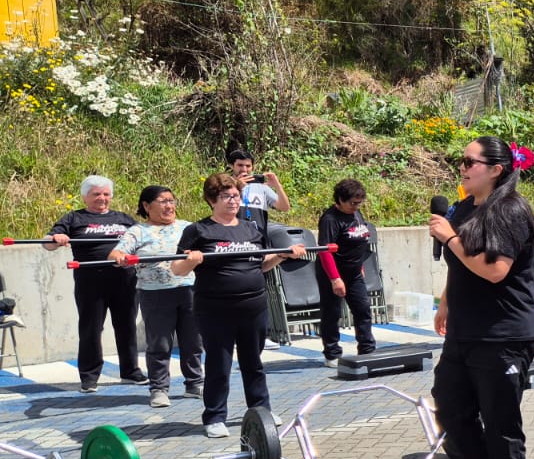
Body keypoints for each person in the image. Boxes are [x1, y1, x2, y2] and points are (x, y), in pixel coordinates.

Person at [428, 136, 534, 459]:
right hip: (464, 330)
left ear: (496, 169)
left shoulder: (510, 210)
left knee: (500, 424)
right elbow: (461, 266)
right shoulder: (462, 207)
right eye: (459, 160)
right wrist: (445, 301)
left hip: (504, 335)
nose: (461, 167)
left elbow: (495, 270)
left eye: (469, 161)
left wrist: (449, 238)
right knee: (449, 406)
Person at [171, 174, 306, 437]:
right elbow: (177, 268)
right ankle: (214, 417)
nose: (233, 201)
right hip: (215, 309)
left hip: (253, 306)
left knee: (253, 362)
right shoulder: (198, 231)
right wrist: (193, 261)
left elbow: (261, 264)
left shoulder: (251, 228)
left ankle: (260, 409)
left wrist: (281, 255)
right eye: (226, 196)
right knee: (219, 365)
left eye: (236, 195)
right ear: (212, 200)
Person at [48, 176, 143, 392]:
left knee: (127, 326)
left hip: (125, 281)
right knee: (91, 328)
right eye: (96, 194)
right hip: (91, 283)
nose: (102, 198)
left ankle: (130, 371)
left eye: (106, 194)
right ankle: (89, 377)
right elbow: (48, 244)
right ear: (85, 197)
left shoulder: (124, 219)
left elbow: (143, 240)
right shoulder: (74, 218)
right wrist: (57, 238)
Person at [109, 185, 202, 407]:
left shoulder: (188, 227)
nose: (169, 206)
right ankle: (159, 388)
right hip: (155, 295)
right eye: (163, 201)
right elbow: (116, 252)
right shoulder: (138, 231)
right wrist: (120, 257)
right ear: (147, 206)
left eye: (172, 200)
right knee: (159, 344)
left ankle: (195, 382)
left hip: (189, 290)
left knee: (193, 341)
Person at [316, 178, 377, 367]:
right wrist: (335, 279)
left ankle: (367, 348)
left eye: (359, 203)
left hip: (354, 272)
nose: (356, 207)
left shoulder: (356, 214)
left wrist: (359, 266)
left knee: (362, 309)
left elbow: (358, 241)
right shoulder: (330, 219)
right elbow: (325, 250)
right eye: (352, 203)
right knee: (332, 313)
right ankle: (332, 352)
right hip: (333, 272)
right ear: (340, 200)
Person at [226, 148, 290, 227]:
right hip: (232, 236)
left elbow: (284, 207)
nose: (244, 169)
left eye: (248, 166)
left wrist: (278, 186)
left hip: (258, 237)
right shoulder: (224, 185)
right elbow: (217, 208)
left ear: (252, 167)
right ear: (232, 166)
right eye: (240, 165)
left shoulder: (261, 187)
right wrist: (237, 187)